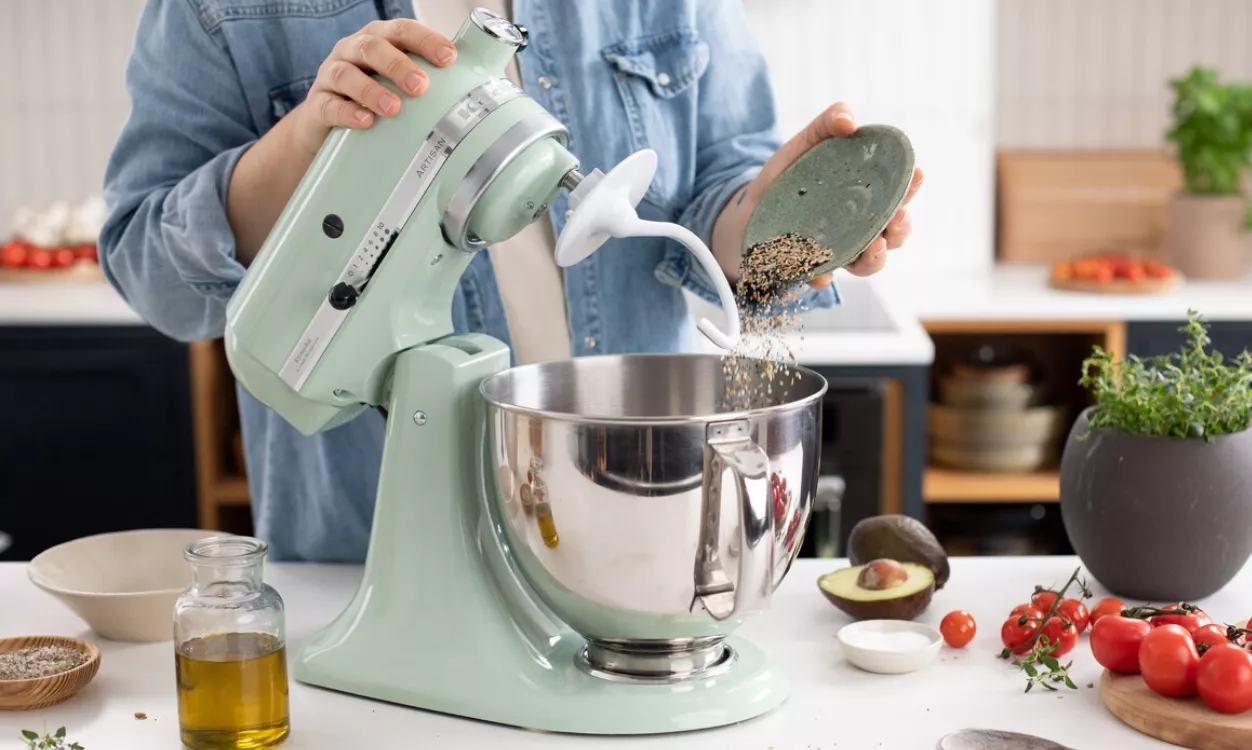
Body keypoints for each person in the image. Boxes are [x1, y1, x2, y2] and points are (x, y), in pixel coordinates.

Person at [99, 0, 923, 562]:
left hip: (636, 526)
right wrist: (313, 140)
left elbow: (718, 192)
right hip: (374, 548)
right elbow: (151, 272)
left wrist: (788, 227)